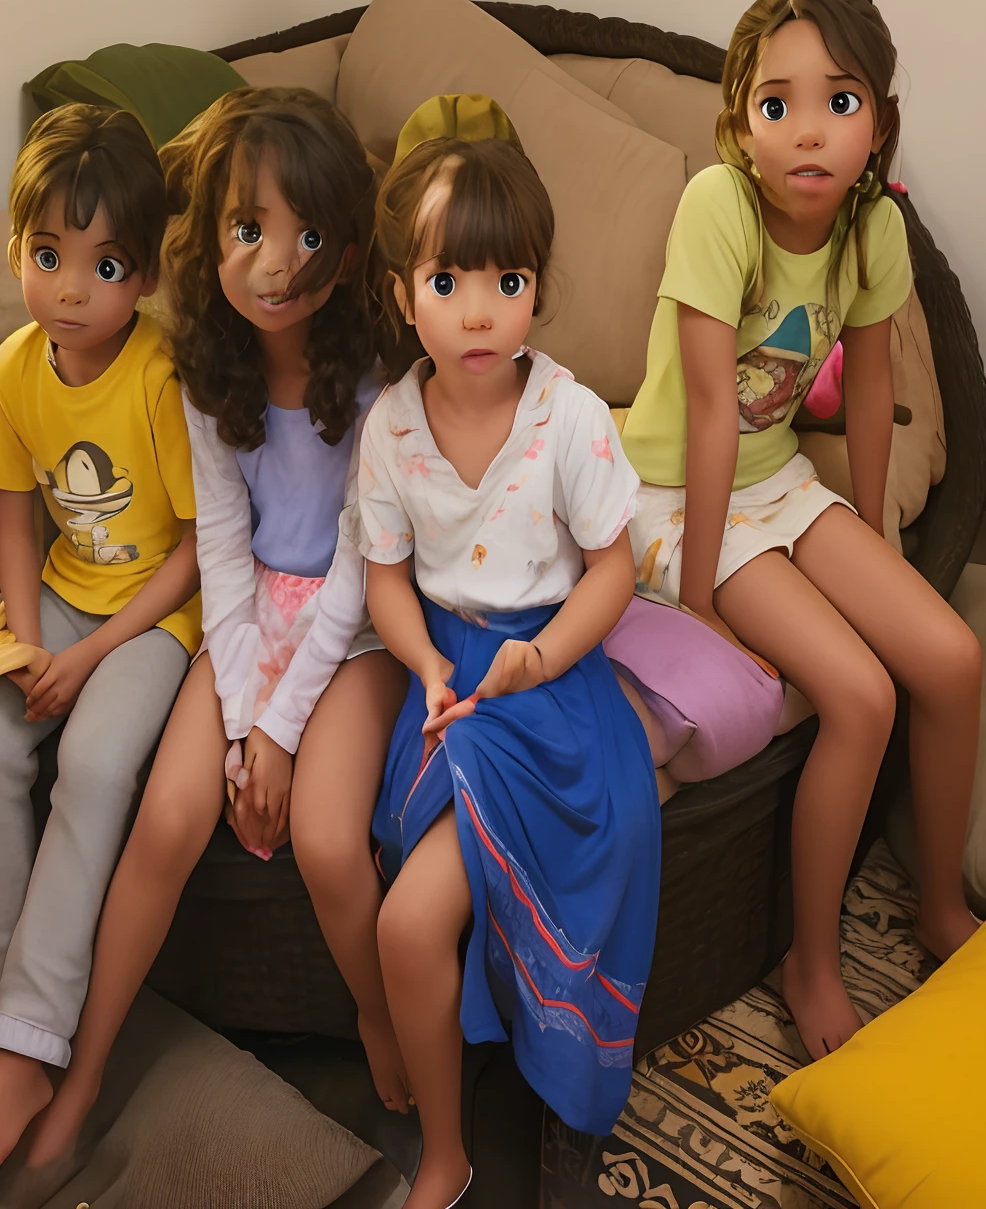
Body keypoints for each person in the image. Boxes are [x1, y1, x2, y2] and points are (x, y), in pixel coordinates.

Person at [28, 88, 410, 1167]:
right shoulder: (205, 373)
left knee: (333, 842)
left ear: (345, 240)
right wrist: (242, 719)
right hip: (247, 625)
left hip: (362, 624)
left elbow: (352, 566)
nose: (276, 264)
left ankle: (380, 1016)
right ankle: (85, 1071)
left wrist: (281, 733)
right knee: (163, 822)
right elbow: (227, 558)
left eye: (306, 236)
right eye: (248, 232)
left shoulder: (378, 380)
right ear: (213, 241)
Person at [618, 0, 983, 1061]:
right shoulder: (715, 206)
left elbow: (872, 387)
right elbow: (710, 413)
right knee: (861, 697)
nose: (809, 132)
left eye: (840, 103)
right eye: (778, 106)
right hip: (680, 495)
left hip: (779, 478)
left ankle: (941, 905)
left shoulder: (877, 229)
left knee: (951, 659)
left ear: (879, 123)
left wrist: (872, 533)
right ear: (740, 124)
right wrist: (694, 610)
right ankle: (809, 962)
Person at [360, 112, 661, 1209]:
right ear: (405, 294)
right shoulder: (390, 428)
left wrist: (540, 659)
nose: (479, 310)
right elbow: (387, 577)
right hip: (452, 679)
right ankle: (446, 1150)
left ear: (538, 290)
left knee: (614, 842)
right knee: (404, 920)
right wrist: (427, 669)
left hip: (555, 669)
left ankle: (566, 1096)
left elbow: (613, 574)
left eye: (508, 278)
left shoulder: (571, 419)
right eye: (447, 280)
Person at [0, 105, 201, 1190]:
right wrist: (29, 648)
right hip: (63, 608)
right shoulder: (12, 374)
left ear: (144, 278)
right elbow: (13, 520)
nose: (72, 289)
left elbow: (191, 554)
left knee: (91, 762)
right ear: (16, 254)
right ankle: (9, 1029)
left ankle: (28, 1041)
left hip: (155, 618)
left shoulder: (160, 374)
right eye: (48, 257)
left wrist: (87, 662)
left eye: (105, 264)